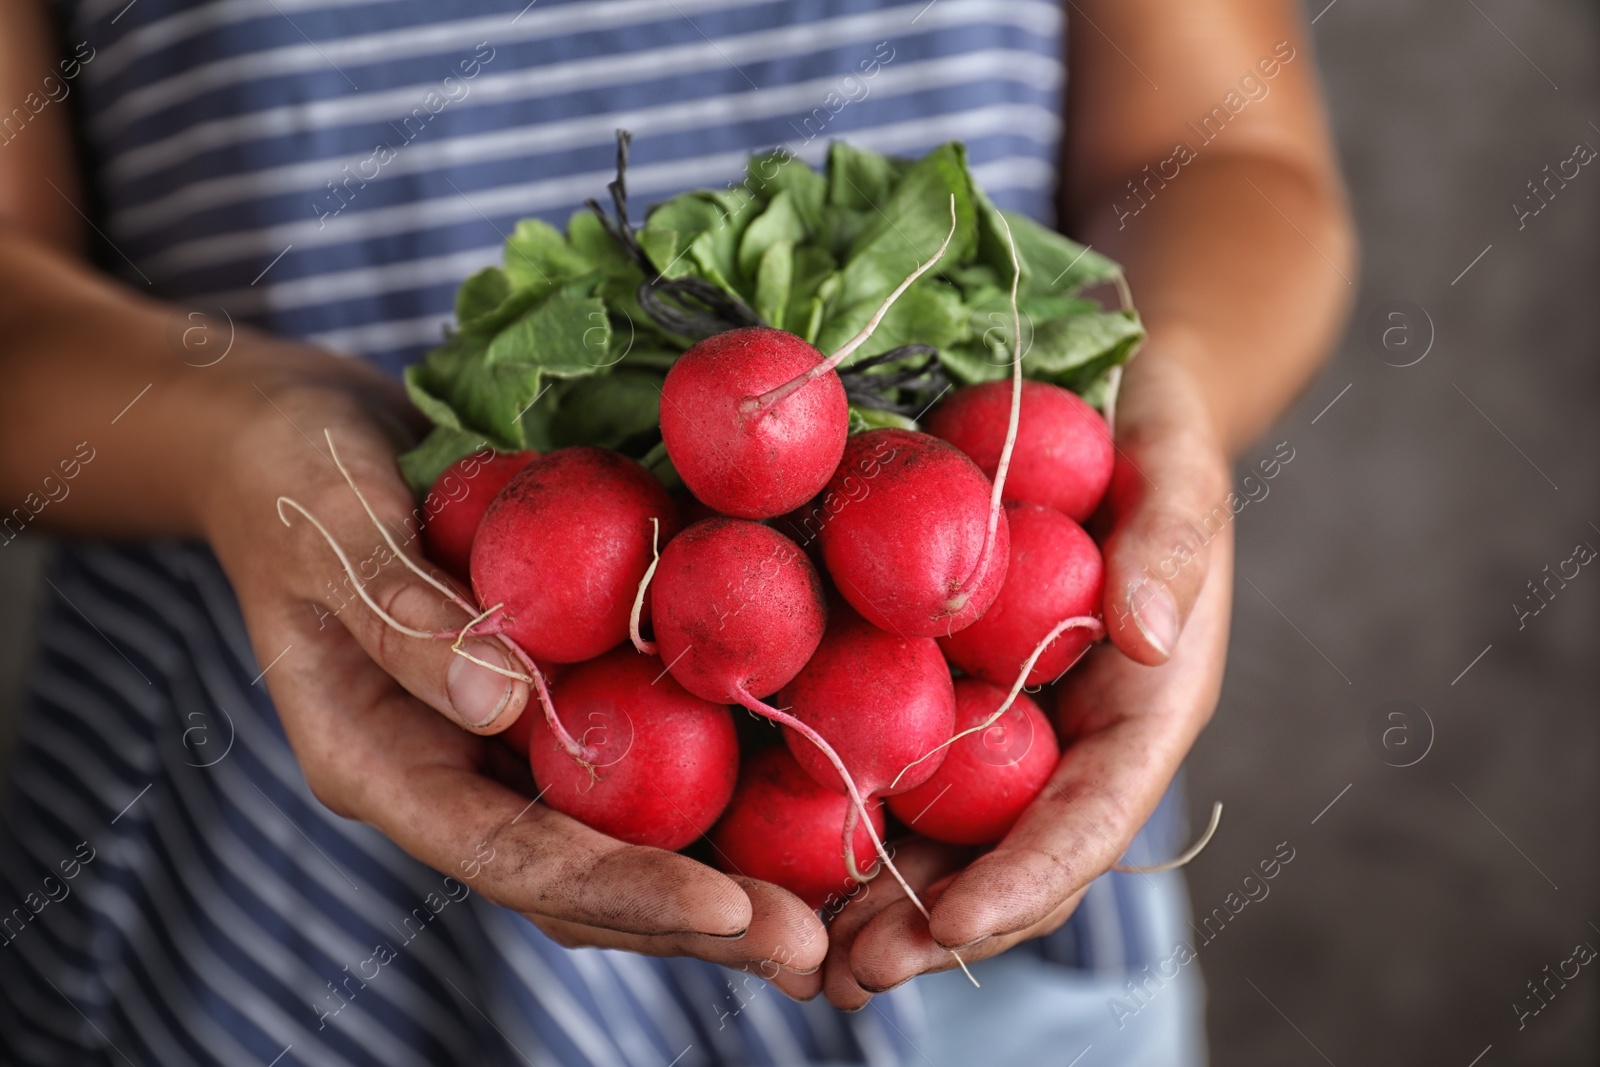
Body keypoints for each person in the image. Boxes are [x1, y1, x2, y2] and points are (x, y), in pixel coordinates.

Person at [0, 0, 1354, 1063]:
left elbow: (1234, 158)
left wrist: (1162, 400)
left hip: (984, 875)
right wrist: (252, 444)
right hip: (264, 888)